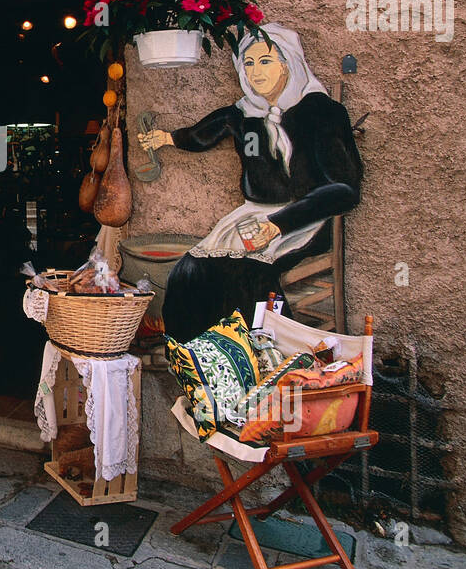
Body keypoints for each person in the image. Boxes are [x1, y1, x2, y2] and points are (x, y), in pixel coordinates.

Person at [137, 23, 362, 342]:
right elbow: (204, 133)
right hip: (254, 212)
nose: (256, 72)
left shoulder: (322, 112)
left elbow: (345, 189)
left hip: (306, 216)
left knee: (248, 272)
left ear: (287, 64)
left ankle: (268, 356)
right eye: (249, 63)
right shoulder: (245, 113)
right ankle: (200, 357)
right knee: (190, 270)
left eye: (266, 61)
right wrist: (168, 138)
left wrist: (278, 225)